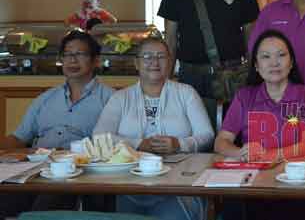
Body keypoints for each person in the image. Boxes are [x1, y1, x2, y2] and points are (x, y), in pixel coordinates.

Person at [94, 36, 213, 220]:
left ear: (170, 62)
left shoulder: (186, 93)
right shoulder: (120, 98)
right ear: (137, 63)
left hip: (180, 182)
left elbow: (207, 135)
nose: (154, 62)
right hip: (130, 183)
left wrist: (178, 144)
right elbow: (99, 136)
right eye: (147, 56)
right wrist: (138, 144)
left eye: (161, 56)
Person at [0, 30, 114, 219]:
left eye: (80, 54)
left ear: (96, 61)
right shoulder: (45, 98)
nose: (72, 60)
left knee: (45, 207)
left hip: (77, 173)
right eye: (68, 55)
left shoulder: (111, 99)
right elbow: (19, 137)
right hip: (36, 170)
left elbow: (114, 146)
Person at [216, 30, 305, 220]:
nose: (274, 63)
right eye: (266, 57)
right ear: (256, 66)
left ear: (291, 63)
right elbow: (221, 141)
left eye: (281, 55)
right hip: (253, 184)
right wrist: (239, 152)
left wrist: (267, 156)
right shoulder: (244, 96)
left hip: (296, 183)